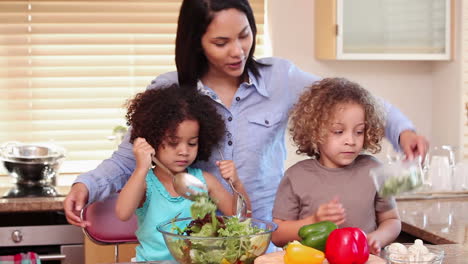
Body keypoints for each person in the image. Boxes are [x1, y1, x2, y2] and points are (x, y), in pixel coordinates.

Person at [64, 0, 428, 228]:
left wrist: (403, 131)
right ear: (196, 43)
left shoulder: (281, 78)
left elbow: (353, 99)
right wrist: (86, 185)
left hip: (267, 236)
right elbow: (130, 158)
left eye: (244, 35)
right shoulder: (169, 92)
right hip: (197, 240)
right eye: (221, 43)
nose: (238, 51)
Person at [115, 84, 250, 261]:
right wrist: (141, 168)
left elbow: (241, 219)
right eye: (173, 143)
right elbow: (123, 213)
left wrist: (236, 183)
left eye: (192, 143)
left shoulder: (204, 181)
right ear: (153, 140)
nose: (184, 151)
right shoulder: (146, 183)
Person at [271, 78, 401, 255]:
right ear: (315, 131)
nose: (351, 141)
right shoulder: (296, 176)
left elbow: (392, 220)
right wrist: (314, 220)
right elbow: (277, 235)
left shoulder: (375, 170)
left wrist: (378, 237)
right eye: (339, 131)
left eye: (359, 131)